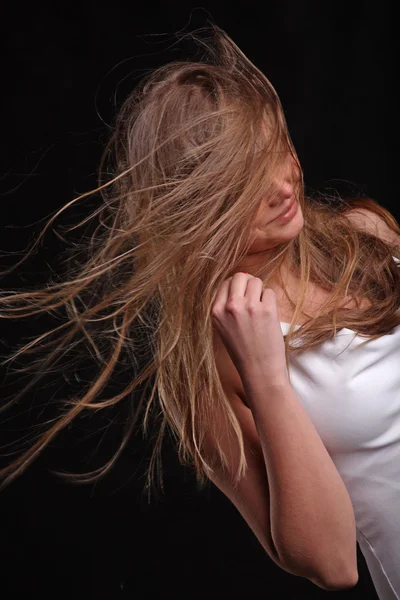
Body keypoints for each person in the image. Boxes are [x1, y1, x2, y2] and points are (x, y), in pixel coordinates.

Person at [1, 24, 400, 597]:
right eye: (244, 176)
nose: (283, 182)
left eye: (277, 146)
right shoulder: (207, 377)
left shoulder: (365, 236)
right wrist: (267, 377)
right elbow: (332, 564)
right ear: (197, 201)